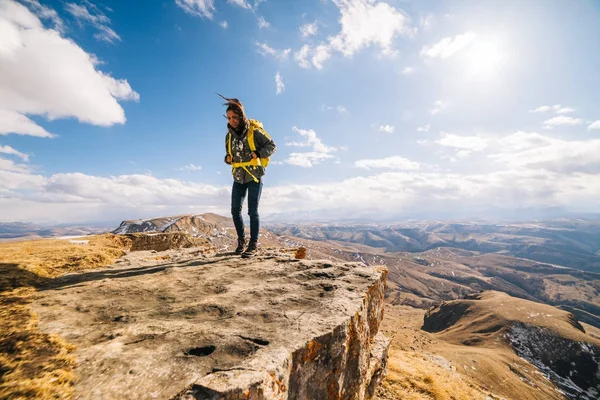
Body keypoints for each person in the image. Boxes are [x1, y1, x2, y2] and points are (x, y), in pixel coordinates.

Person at [220, 94, 276, 257]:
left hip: (254, 177)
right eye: (229, 118)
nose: (232, 120)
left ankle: (253, 244)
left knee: (252, 211)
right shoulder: (228, 136)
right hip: (238, 177)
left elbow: (272, 146)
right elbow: (230, 156)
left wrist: (258, 153)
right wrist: (227, 159)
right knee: (235, 211)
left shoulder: (255, 131)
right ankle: (241, 241)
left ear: (241, 116)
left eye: (234, 117)